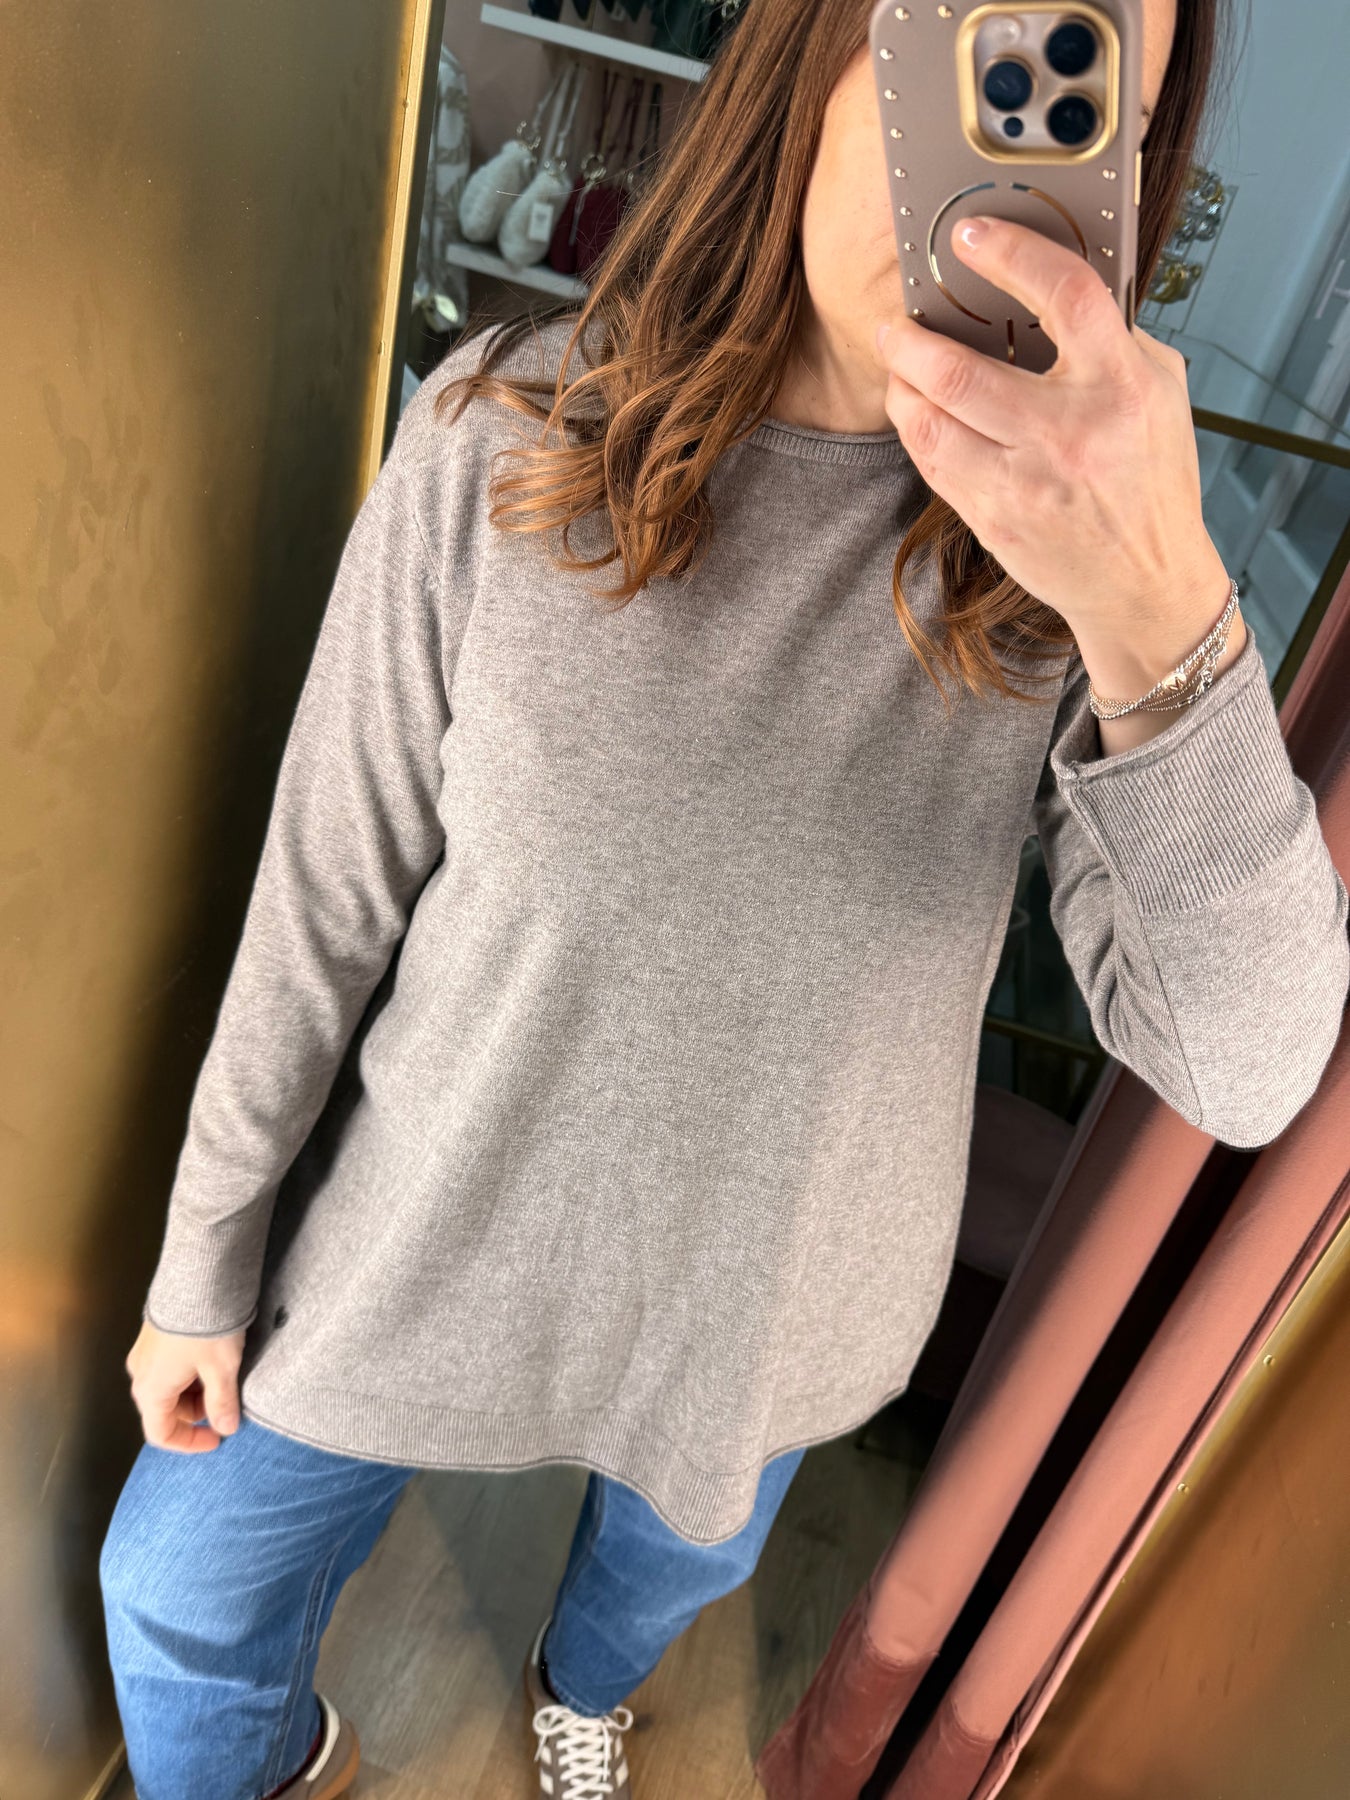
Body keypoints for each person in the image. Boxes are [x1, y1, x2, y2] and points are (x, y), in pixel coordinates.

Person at [99, 1, 1350, 1797]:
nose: (1003, 180)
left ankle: (579, 1689)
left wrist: (1162, 615)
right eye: (976, 62)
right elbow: (322, 902)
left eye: (1089, 115)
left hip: (772, 1304)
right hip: (433, 1231)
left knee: (655, 1585)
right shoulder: (499, 435)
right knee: (173, 1594)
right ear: (812, 57)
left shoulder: (1067, 598)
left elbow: (1248, 1066)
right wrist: (203, 1260)